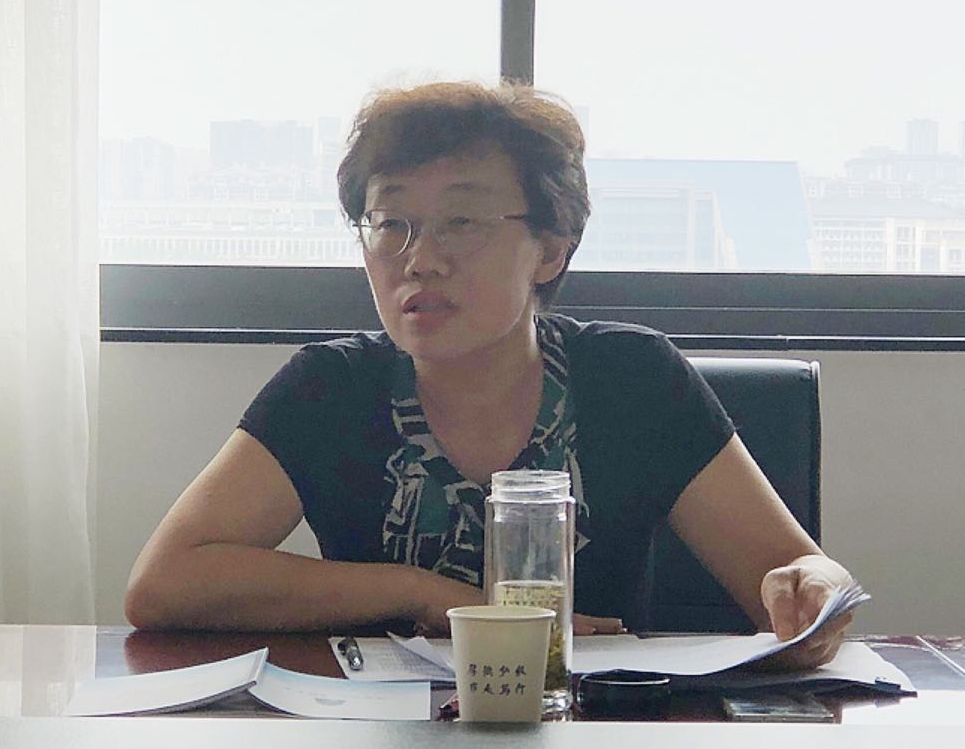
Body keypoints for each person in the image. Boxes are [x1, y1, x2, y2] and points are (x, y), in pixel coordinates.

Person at [126, 81, 855, 668]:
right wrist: (425, 594)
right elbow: (165, 584)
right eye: (391, 224)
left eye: (462, 223)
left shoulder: (632, 379)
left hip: (593, 741)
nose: (420, 260)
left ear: (551, 250)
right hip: (377, 747)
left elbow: (794, 574)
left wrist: (816, 593)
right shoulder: (330, 388)